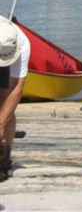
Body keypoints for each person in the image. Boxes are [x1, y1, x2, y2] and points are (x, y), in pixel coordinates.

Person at [0, 16, 30, 182]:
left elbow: (17, 89)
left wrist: (1, 124)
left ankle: (5, 157)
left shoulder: (22, 43)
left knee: (5, 105)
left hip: (9, 57)